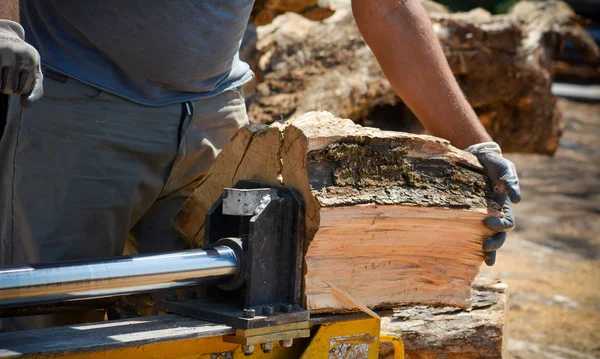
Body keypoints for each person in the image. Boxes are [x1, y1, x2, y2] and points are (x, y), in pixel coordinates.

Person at [0, 2, 519, 274]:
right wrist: (5, 26)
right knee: (52, 327)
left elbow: (386, 7)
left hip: (216, 121)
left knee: (209, 319)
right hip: (75, 108)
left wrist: (474, 148)